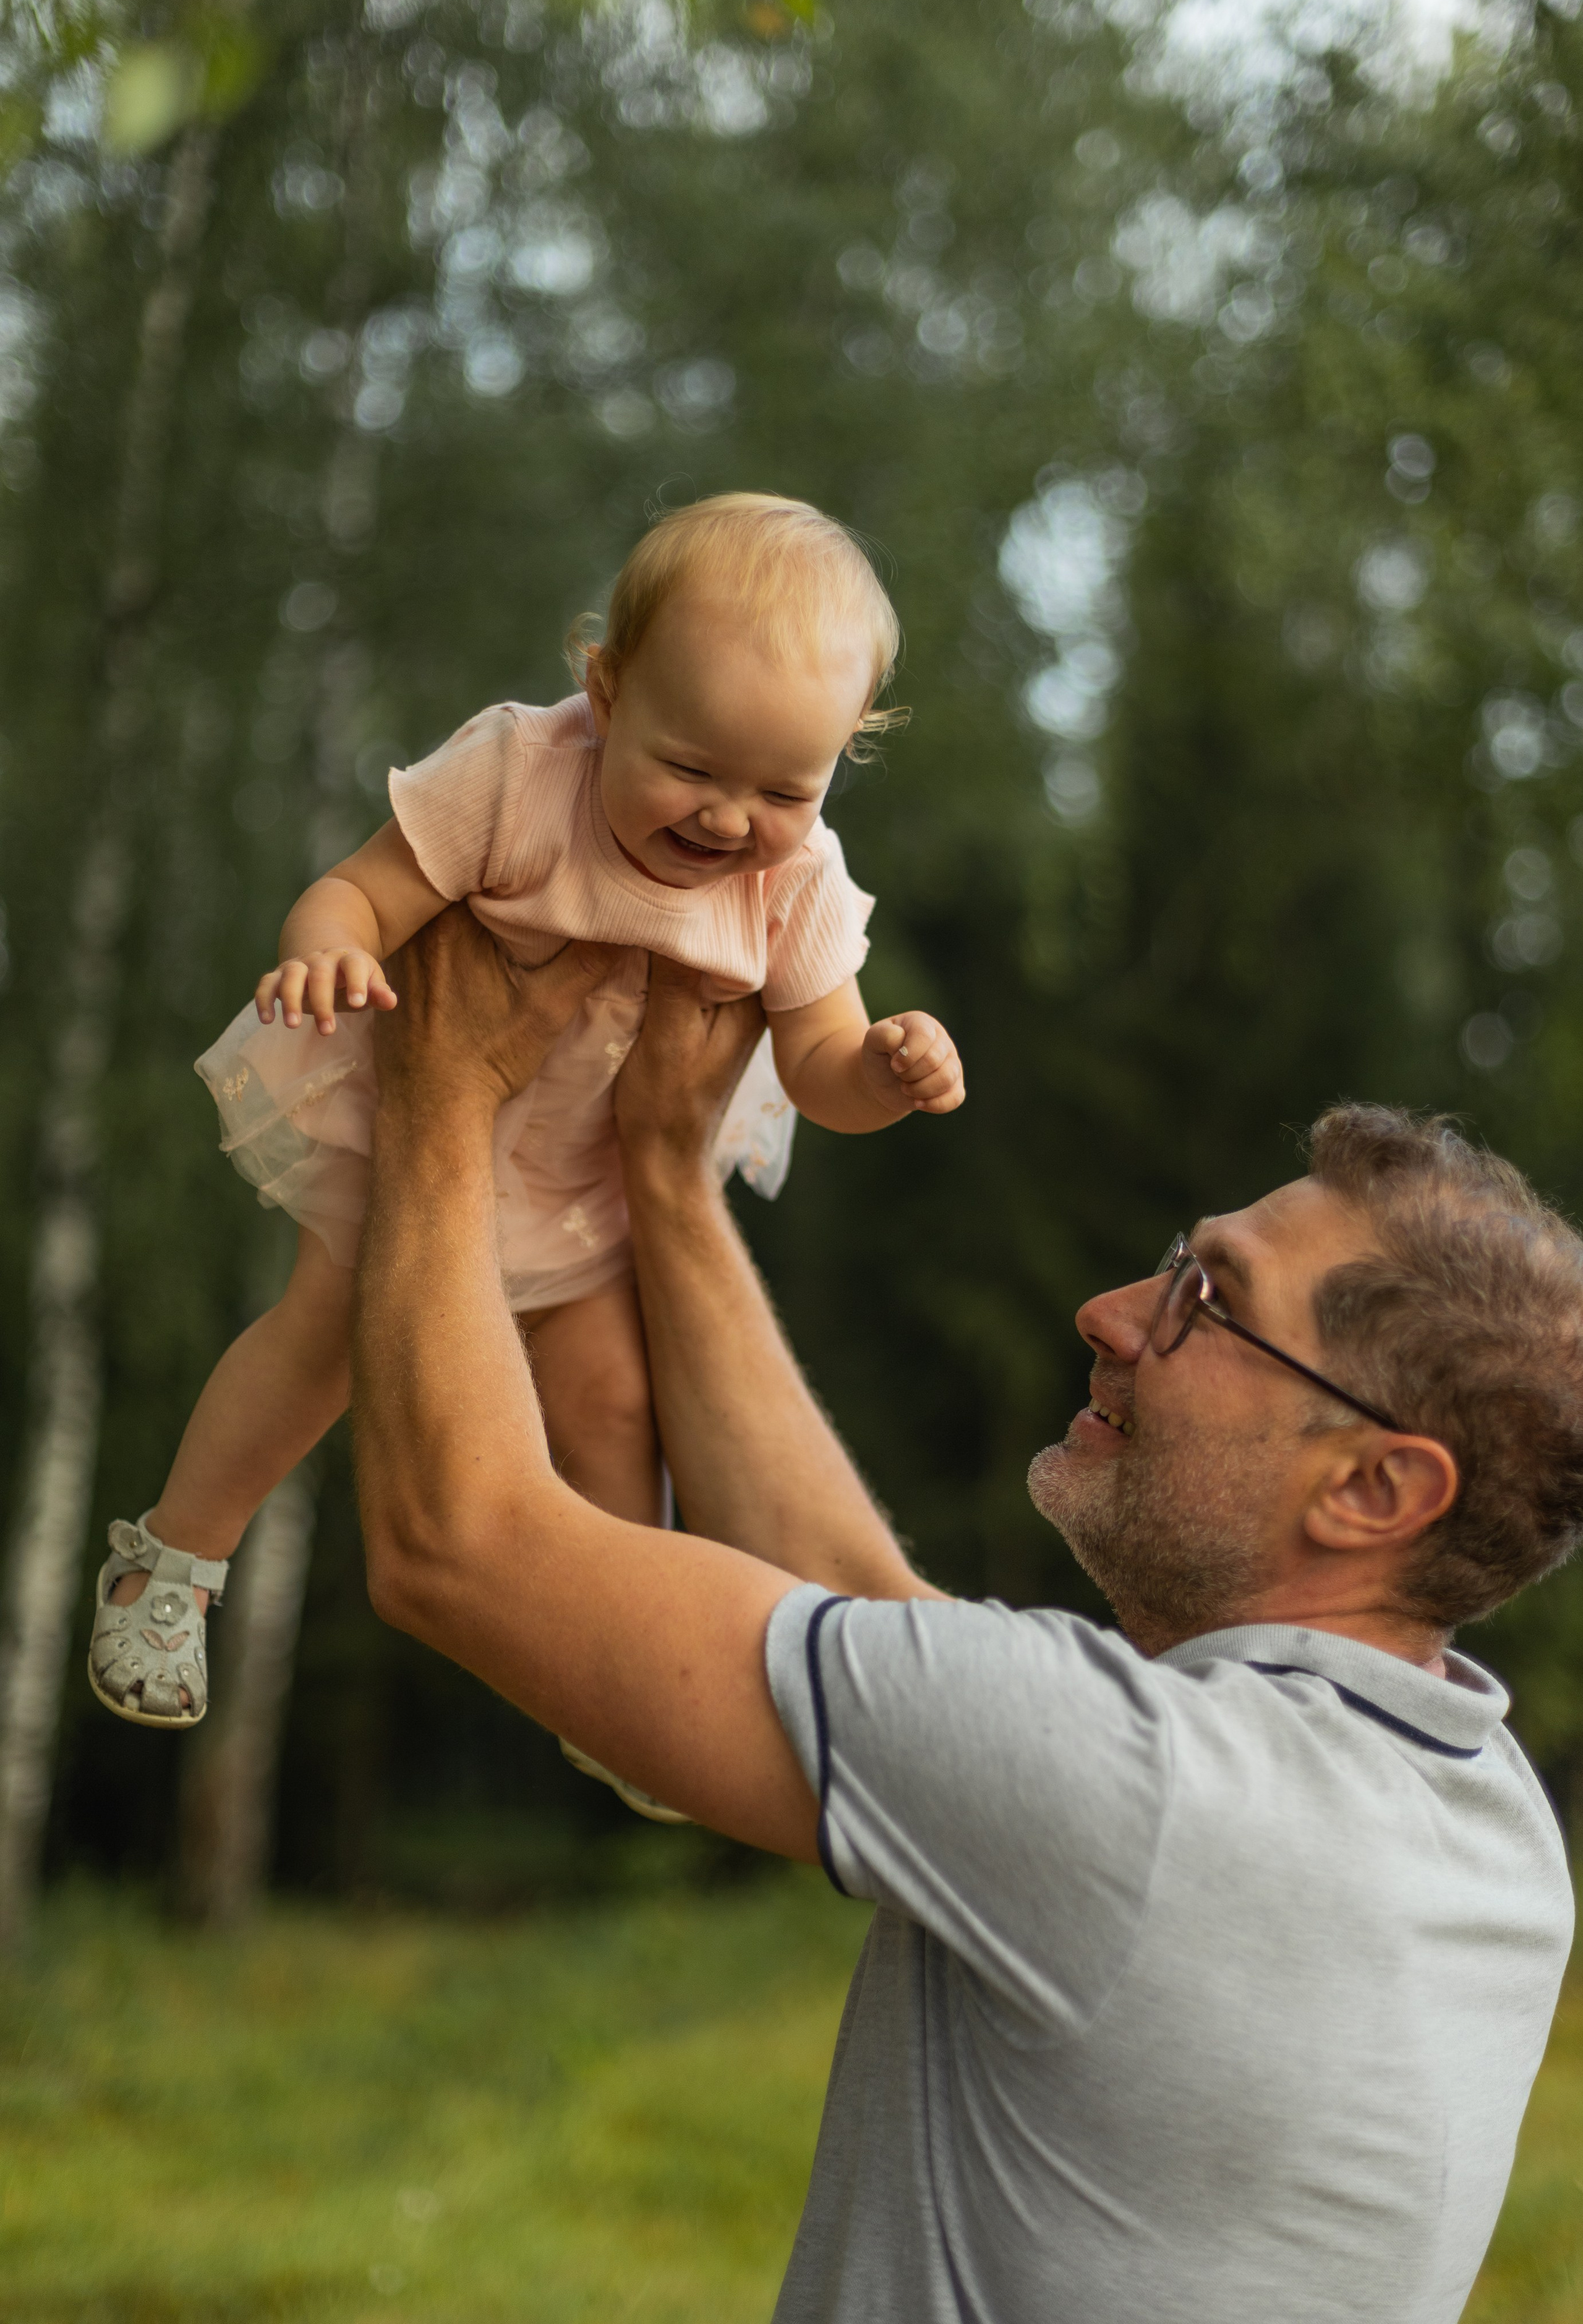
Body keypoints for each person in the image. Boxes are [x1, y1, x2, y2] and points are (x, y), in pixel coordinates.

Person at [351, 909, 1576, 2324]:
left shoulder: (1141, 1790)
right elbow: (882, 1629)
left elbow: (457, 1540)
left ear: (1372, 1485)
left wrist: (441, 1085)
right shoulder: (1484, 1814)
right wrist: (667, 1175)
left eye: (1204, 1301)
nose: (1108, 1313)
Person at [85, 493, 964, 1753]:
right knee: (319, 1339)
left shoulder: (797, 876)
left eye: (782, 786)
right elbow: (358, 889)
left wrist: (881, 1069)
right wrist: (326, 953)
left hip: (590, 1177)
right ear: (603, 694)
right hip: (415, 1145)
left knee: (613, 1402)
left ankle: (607, 1666)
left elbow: (815, 1058)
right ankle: (172, 1558)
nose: (727, 819)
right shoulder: (515, 774)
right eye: (690, 767)